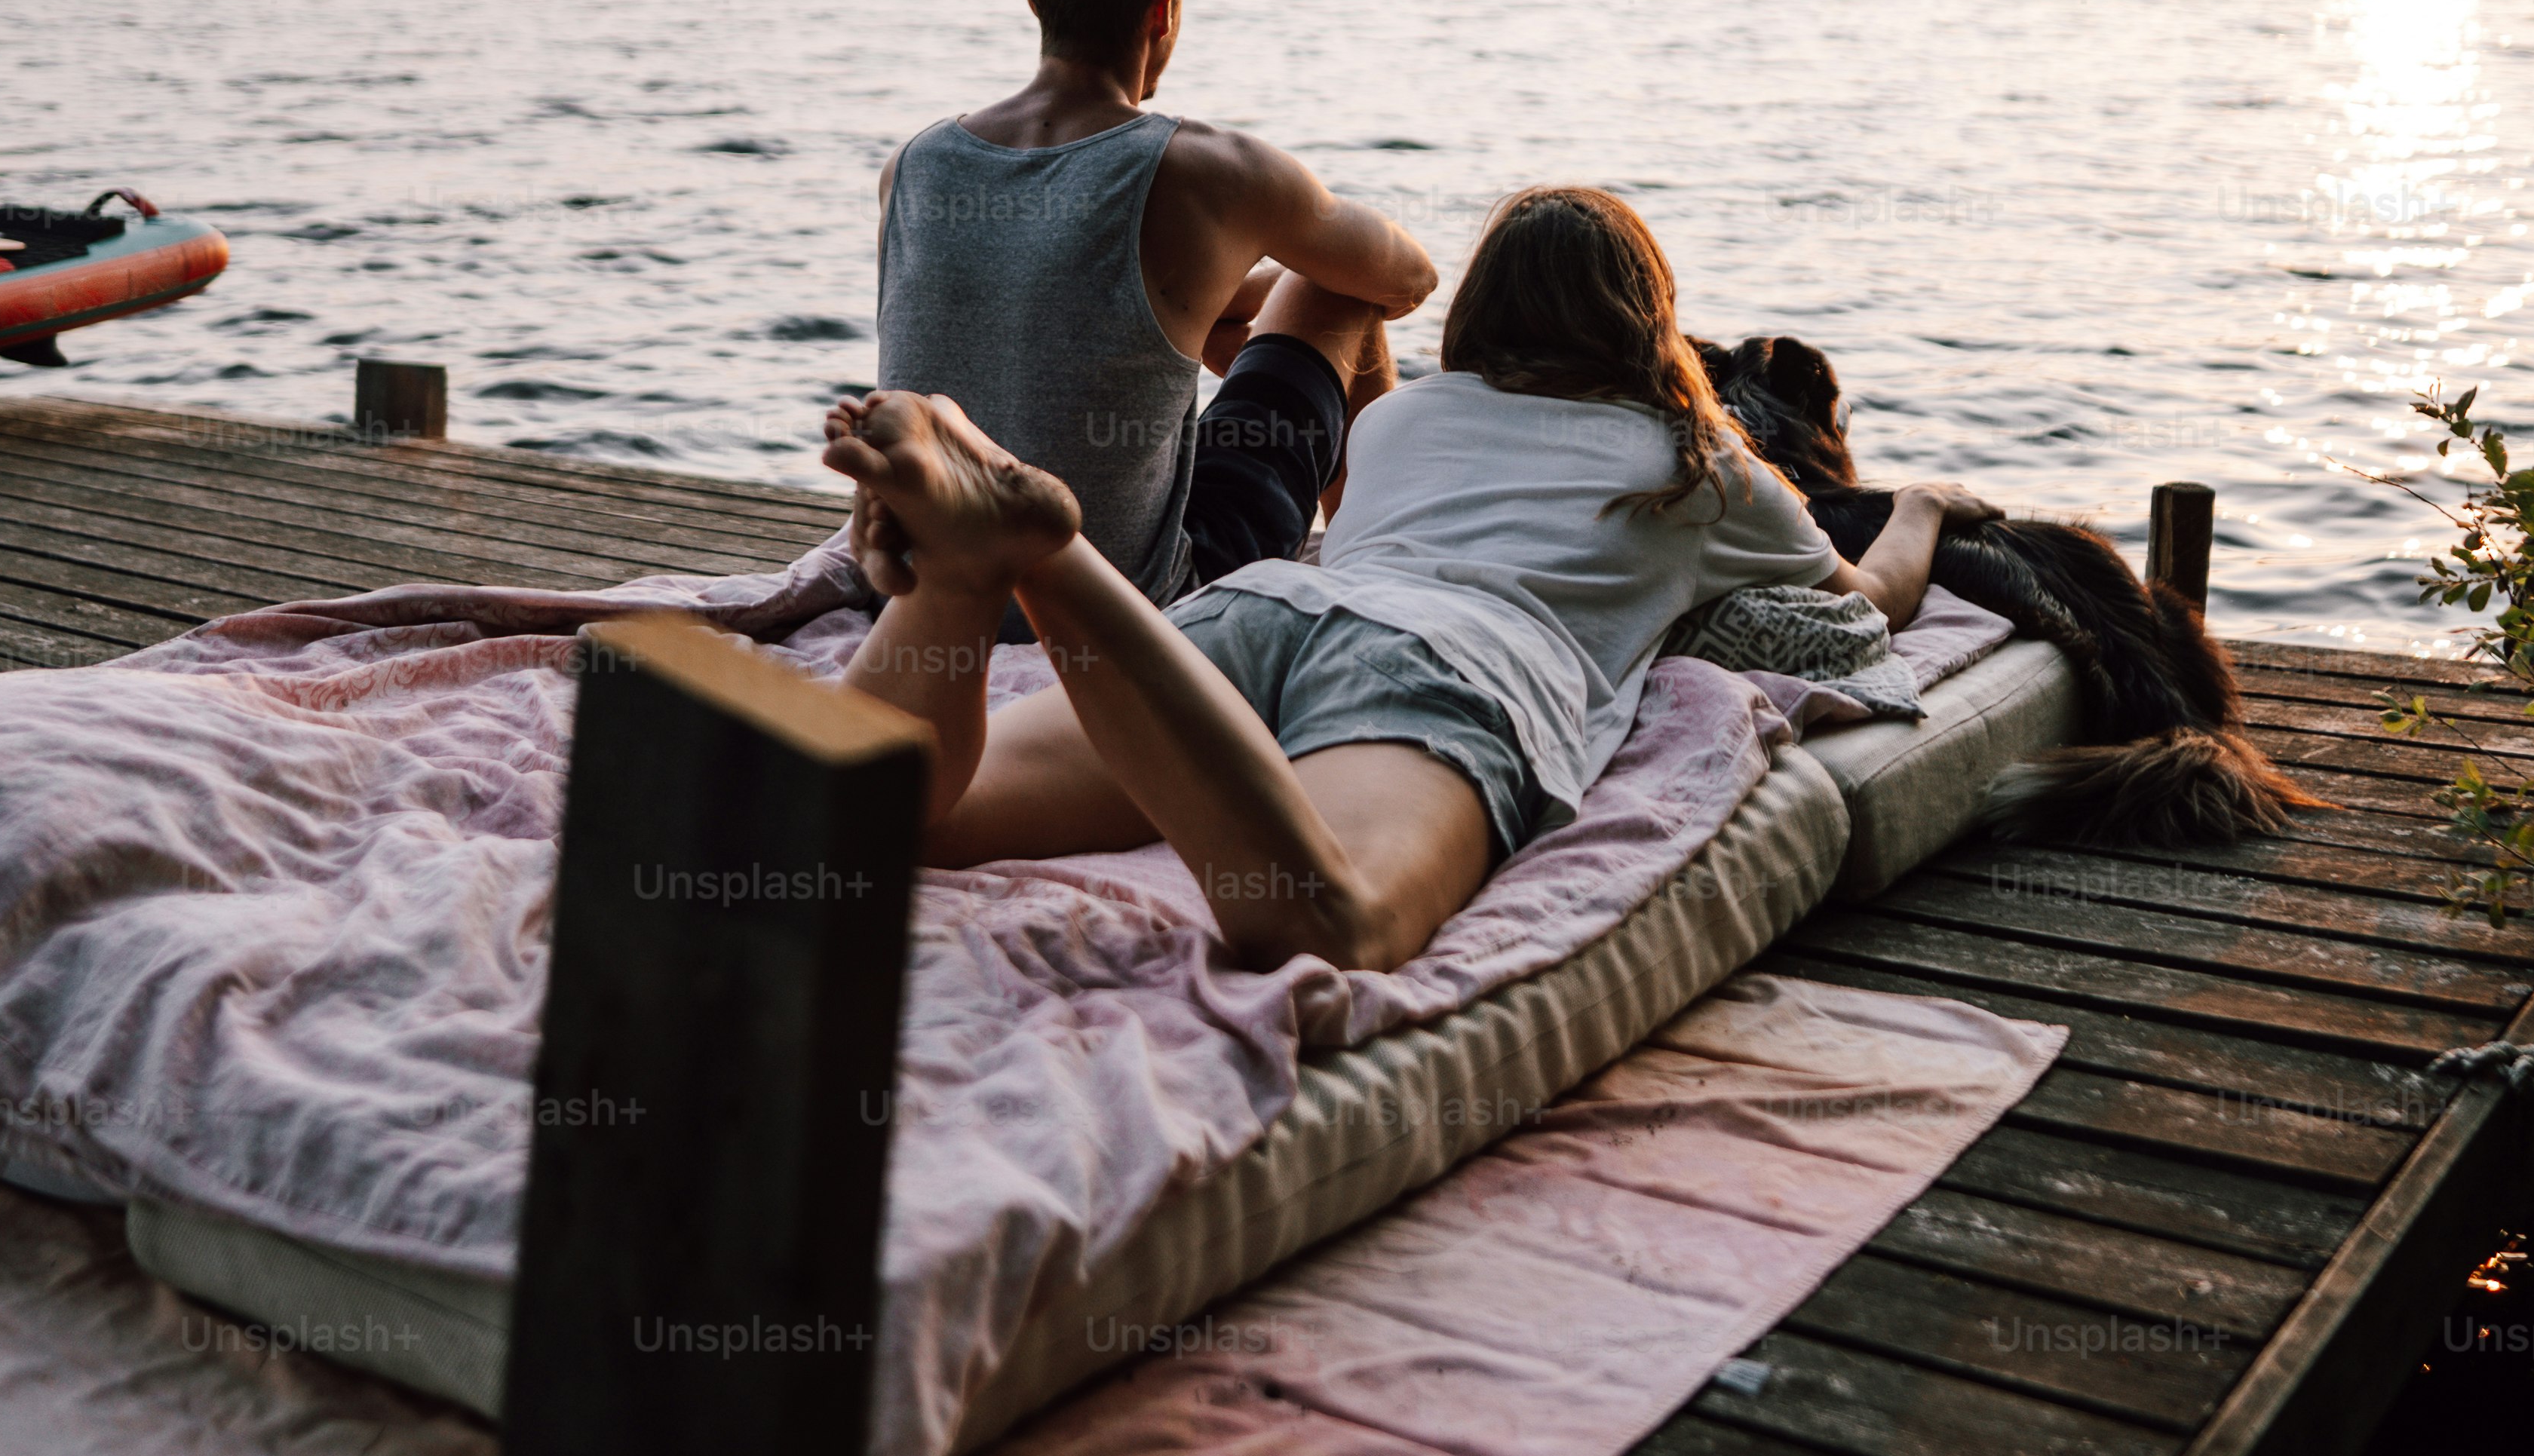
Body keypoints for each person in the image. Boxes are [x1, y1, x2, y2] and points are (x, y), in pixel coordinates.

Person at [825, 184, 1997, 973]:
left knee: (919, 823)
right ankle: (1048, 554)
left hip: (1264, 612)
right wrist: (1923, 505)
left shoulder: (1404, 423)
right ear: (1653, 325)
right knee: (1325, 918)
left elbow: (1360, 495)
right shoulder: (1698, 465)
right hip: (1454, 671)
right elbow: (1861, 604)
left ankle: (970, 582)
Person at [871, 0, 1436, 606]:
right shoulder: (1208, 170)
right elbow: (1406, 279)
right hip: (1130, 609)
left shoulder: (911, 167)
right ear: (1163, 8)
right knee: (1336, 288)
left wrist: (1222, 301)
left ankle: (1367, 567)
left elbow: (1061, 299)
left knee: (1212, 309)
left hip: (929, 592)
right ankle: (1378, 585)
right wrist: (1258, 298)